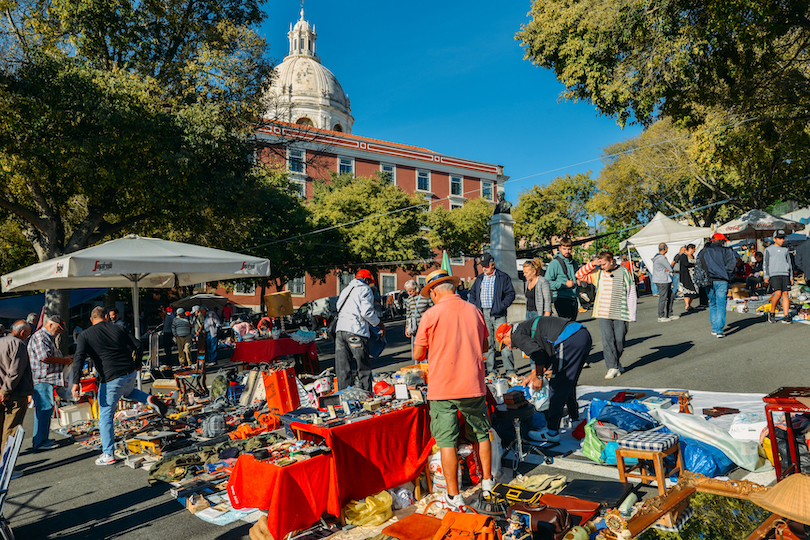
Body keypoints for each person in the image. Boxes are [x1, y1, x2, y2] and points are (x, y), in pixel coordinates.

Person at [412, 269, 493, 510]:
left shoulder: (431, 314)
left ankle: (453, 496)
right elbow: (485, 345)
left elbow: (417, 354)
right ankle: (488, 483)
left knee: (446, 442)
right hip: (473, 384)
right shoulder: (474, 310)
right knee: (481, 433)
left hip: (443, 388)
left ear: (434, 292)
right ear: (454, 288)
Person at [71, 306, 167, 465]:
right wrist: (137, 364)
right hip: (129, 372)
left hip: (110, 377)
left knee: (105, 417)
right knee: (127, 392)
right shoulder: (119, 328)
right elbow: (138, 345)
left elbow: (79, 358)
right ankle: (149, 399)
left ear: (91, 319)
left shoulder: (85, 335)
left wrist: (76, 382)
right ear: (107, 317)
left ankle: (108, 454)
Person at [496, 316, 592, 443]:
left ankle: (552, 432)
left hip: (568, 339)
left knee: (557, 385)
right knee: (568, 381)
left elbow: (538, 355)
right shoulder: (523, 328)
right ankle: (574, 418)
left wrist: (539, 378)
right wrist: (532, 376)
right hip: (581, 335)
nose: (508, 347)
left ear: (507, 336)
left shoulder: (516, 335)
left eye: (505, 344)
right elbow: (546, 358)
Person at [575, 250, 637, 379]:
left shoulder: (623, 271)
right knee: (607, 340)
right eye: (600, 264)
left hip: (621, 312)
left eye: (603, 264)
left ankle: (616, 362)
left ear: (611, 261)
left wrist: (632, 313)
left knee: (619, 339)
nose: (601, 266)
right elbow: (579, 274)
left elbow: (630, 291)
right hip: (603, 312)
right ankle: (612, 367)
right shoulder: (598, 274)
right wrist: (593, 264)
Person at [334, 269, 385, 391]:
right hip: (355, 330)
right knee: (363, 366)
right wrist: (379, 323)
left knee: (343, 368)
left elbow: (337, 307)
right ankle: (366, 395)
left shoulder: (346, 290)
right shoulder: (365, 289)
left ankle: (344, 396)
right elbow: (366, 313)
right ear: (366, 280)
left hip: (340, 330)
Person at [28, 314, 73, 451]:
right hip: (42, 379)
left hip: (45, 378)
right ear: (51, 324)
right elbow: (45, 357)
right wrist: (64, 361)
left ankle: (42, 439)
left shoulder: (46, 337)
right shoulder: (41, 336)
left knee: (45, 409)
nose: (59, 331)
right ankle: (40, 442)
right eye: (59, 328)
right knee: (45, 409)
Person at [468, 253, 516, 376]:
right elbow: (472, 294)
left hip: (499, 314)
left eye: (486, 265)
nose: (484, 268)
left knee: (503, 342)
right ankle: (491, 371)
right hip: (483, 314)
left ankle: (510, 371)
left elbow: (510, 294)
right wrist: (475, 306)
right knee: (488, 344)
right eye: (482, 266)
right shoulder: (479, 279)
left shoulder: (502, 277)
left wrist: (501, 306)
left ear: (492, 264)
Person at [0, 321, 33, 452]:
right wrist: (4, 390)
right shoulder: (18, 344)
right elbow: (15, 371)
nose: (27, 338)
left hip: (3, 391)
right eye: (27, 335)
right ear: (22, 332)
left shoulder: (1, 342)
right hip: (15, 393)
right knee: (11, 431)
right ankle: (6, 467)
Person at [698, 232, 736, 338]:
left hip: (708, 280)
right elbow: (731, 265)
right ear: (721, 241)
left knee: (712, 304)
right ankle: (718, 329)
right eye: (723, 240)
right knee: (721, 304)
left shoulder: (703, 251)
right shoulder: (726, 251)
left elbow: (699, 264)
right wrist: (727, 275)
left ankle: (715, 328)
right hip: (722, 280)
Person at [544, 238, 580, 320]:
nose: (567, 251)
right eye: (564, 249)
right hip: (561, 298)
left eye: (569, 249)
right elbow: (547, 282)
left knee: (572, 325)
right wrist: (564, 285)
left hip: (573, 298)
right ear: (559, 248)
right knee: (566, 325)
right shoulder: (555, 263)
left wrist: (578, 281)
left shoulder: (574, 262)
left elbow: (577, 276)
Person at [765, 230, 794, 324]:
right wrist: (766, 276)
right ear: (774, 239)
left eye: (783, 238)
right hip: (774, 274)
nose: (782, 240)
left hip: (785, 274)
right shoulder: (768, 250)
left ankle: (786, 315)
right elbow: (766, 264)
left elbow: (789, 264)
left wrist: (791, 276)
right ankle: (772, 312)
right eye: (780, 238)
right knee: (777, 294)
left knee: (785, 294)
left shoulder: (785, 250)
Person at [403, 279, 432, 352]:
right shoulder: (409, 299)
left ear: (415, 288)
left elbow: (433, 310)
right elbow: (408, 314)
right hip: (415, 329)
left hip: (426, 328)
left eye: (410, 291)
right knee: (417, 350)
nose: (408, 293)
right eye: (407, 291)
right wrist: (407, 327)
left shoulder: (426, 296)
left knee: (427, 350)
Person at [652, 243, 677, 322]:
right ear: (665, 248)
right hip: (663, 280)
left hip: (658, 279)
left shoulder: (656, 258)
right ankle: (661, 316)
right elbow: (670, 268)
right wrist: (668, 268)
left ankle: (669, 314)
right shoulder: (663, 258)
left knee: (670, 295)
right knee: (663, 298)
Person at [679, 244, 700, 311]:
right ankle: (687, 305)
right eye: (693, 249)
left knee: (694, 291)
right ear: (690, 249)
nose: (694, 251)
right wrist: (694, 265)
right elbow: (686, 264)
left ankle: (689, 304)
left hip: (693, 276)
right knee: (687, 290)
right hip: (686, 276)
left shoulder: (692, 256)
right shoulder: (683, 256)